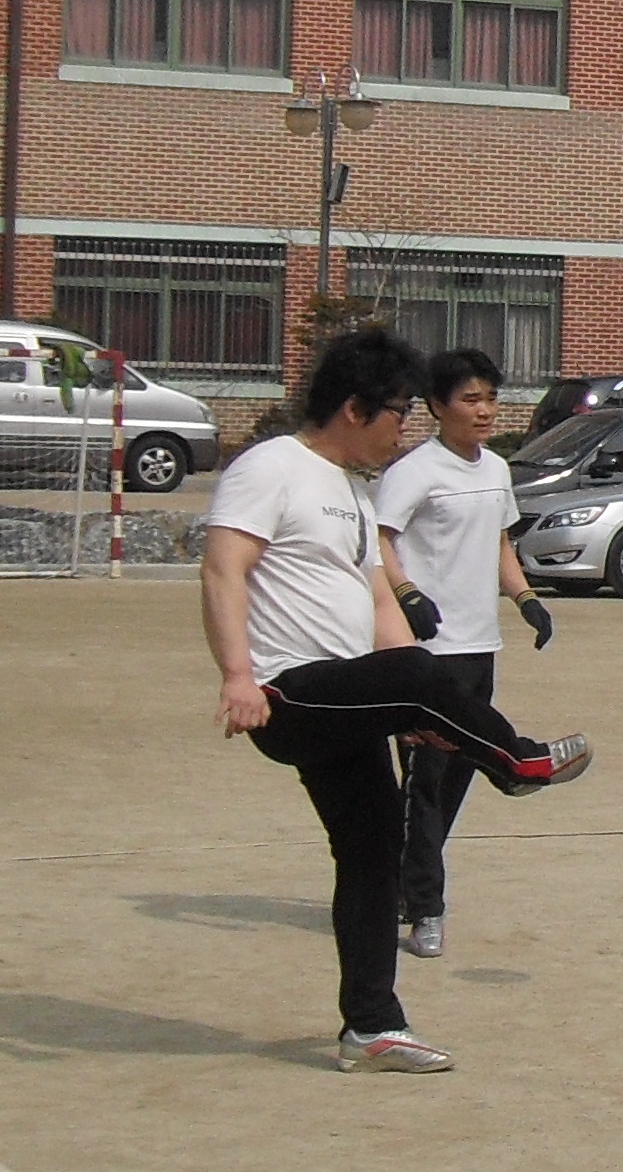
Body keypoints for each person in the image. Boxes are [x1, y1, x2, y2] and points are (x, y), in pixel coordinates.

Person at [201, 327, 593, 1074]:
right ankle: (518, 763)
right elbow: (224, 570)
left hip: (347, 697)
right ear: (356, 408)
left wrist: (411, 714)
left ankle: (371, 1027)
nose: (402, 431)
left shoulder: (349, 488)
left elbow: (377, 595)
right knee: (423, 674)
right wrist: (235, 676)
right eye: (398, 413)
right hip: (289, 692)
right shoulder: (269, 468)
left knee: (373, 852)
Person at [376, 346, 556, 962]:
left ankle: (406, 883)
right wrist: (405, 594)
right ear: (436, 407)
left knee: (455, 780)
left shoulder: (495, 470)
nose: (484, 411)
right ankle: (426, 908)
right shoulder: (415, 471)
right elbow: (376, 540)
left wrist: (526, 597)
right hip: (428, 652)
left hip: (480, 646)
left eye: (491, 398)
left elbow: (500, 540)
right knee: (425, 783)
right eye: (470, 399)